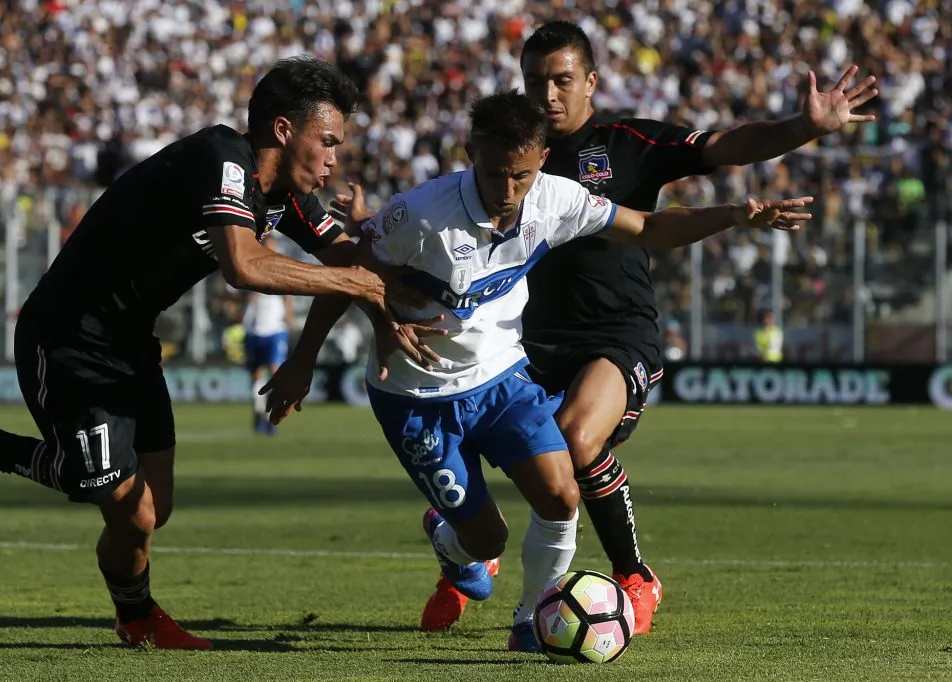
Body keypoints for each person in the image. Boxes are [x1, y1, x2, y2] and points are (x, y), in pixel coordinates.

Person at [261, 90, 813, 651]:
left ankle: (532, 622)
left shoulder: (558, 199)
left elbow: (647, 228)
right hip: (416, 393)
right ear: (473, 152)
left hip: (503, 377)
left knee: (561, 495)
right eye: (497, 173)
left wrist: (736, 216)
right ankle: (451, 542)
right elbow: (348, 272)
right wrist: (302, 361)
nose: (507, 191)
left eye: (521, 176)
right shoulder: (420, 214)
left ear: (542, 160)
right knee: (486, 538)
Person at [0, 56, 425, 650]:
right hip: (67, 338)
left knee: (153, 507)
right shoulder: (222, 158)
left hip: (131, 343)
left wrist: (408, 276)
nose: (333, 157)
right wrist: (359, 286)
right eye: (326, 141)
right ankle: (133, 612)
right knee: (125, 506)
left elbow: (356, 260)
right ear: (281, 130)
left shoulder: (287, 197)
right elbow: (243, 266)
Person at [421, 21, 879, 635]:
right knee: (463, 455)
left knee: (577, 441)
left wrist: (803, 129)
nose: (548, 95)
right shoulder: (511, 152)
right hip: (518, 342)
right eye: (535, 82)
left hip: (616, 333)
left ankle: (634, 576)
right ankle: (466, 562)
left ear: (590, 82)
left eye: (561, 80)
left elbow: (725, 145)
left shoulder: (628, 141)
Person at [243, 236, 295, 434]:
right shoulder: (250, 266)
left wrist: (288, 315)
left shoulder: (280, 267)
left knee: (276, 373)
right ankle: (258, 413)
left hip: (275, 329)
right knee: (256, 377)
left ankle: (271, 418)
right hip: (255, 329)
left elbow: (288, 292)